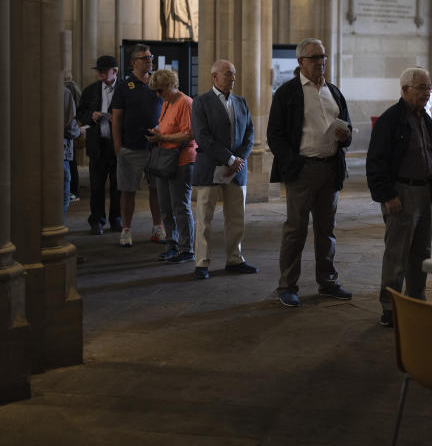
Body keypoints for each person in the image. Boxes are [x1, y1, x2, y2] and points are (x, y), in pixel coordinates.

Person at [268, 38, 353, 307]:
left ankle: (327, 280)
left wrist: (345, 135)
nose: (321, 62)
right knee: (295, 230)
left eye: (323, 56)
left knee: (327, 229)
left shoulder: (334, 92)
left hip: (331, 169)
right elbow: (275, 135)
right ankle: (287, 285)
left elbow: (347, 128)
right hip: (303, 170)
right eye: (315, 57)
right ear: (300, 62)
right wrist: (295, 163)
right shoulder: (287, 93)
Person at [367, 68, 432, 327]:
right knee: (397, 254)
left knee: (421, 252)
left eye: (429, 87)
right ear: (404, 90)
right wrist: (387, 196)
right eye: (421, 87)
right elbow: (376, 162)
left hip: (425, 193)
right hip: (402, 193)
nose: (427, 92)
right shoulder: (391, 119)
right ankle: (390, 308)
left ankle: (416, 300)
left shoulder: (426, 120)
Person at [190, 60, 256, 280]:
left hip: (237, 170)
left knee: (237, 216)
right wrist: (229, 159)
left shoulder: (241, 101)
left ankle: (235, 259)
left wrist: (239, 160)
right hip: (210, 166)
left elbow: (249, 134)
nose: (233, 78)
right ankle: (202, 262)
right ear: (214, 77)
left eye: (234, 74)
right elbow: (202, 137)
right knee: (204, 217)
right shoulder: (201, 102)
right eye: (228, 74)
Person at [111, 44, 164, 247]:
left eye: (150, 56)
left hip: (157, 147)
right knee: (127, 190)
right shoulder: (124, 86)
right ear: (133, 62)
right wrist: (118, 147)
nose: (149, 60)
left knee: (156, 189)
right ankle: (126, 230)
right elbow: (116, 118)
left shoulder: (157, 82)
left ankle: (158, 227)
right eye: (144, 58)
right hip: (131, 147)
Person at [147, 69, 197, 264]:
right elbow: (165, 126)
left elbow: (189, 134)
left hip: (182, 160)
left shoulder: (186, 103)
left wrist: (163, 137)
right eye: (155, 92)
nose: (158, 95)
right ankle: (171, 243)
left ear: (170, 85)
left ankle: (187, 249)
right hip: (165, 158)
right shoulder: (167, 102)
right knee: (165, 206)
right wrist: (156, 132)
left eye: (160, 91)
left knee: (180, 206)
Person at [78, 55, 122, 235]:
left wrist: (117, 119)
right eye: (99, 71)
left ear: (115, 71)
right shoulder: (91, 90)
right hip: (98, 145)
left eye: (104, 71)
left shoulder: (124, 89)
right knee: (96, 186)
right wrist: (91, 116)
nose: (101, 74)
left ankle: (116, 219)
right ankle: (96, 220)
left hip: (118, 145)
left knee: (118, 186)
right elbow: (80, 113)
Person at [63, 82, 81, 217]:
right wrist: (78, 131)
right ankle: (55, 235)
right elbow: (70, 126)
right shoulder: (63, 92)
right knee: (63, 197)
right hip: (60, 151)